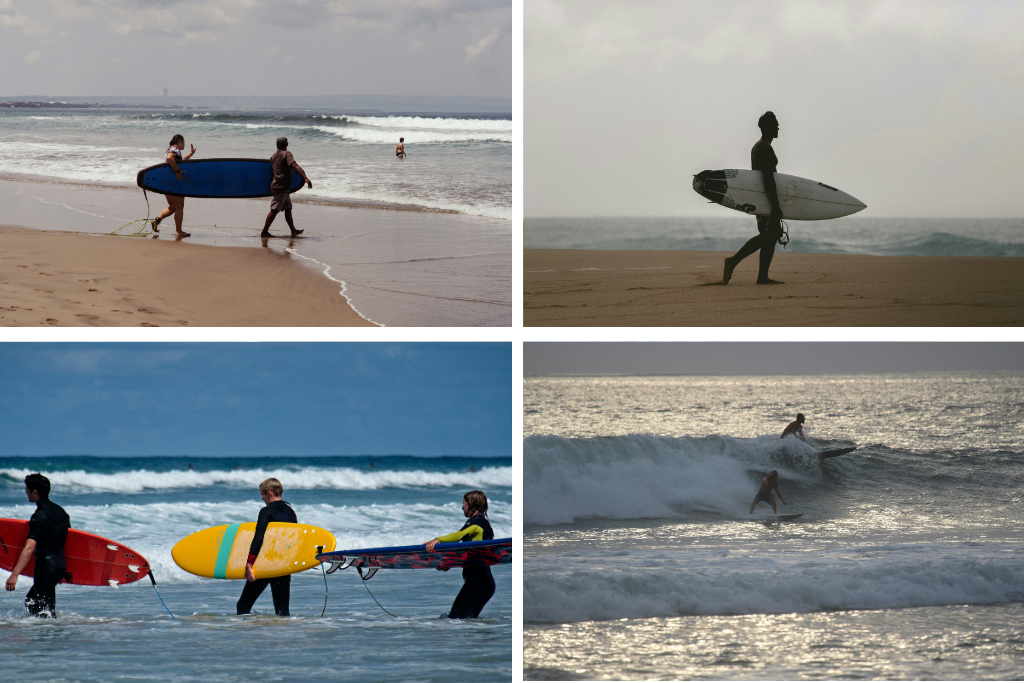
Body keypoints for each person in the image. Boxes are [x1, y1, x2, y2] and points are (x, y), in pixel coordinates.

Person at [722, 111, 786, 285]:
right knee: (768, 235)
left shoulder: (758, 146)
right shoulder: (764, 148)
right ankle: (733, 261)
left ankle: (762, 276)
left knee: (769, 235)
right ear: (768, 127)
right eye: (775, 124)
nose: (778, 127)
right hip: (765, 198)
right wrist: (774, 204)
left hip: (760, 198)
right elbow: (767, 179)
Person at [5, 474, 70, 618]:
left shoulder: (39, 515)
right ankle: (53, 634)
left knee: (44, 613)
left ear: (35, 492)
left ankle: (49, 637)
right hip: (59, 567)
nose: (25, 492)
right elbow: (68, 541)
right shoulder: (62, 513)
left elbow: (29, 548)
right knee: (33, 602)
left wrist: (14, 575)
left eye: (27, 489)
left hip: (45, 568)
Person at [424, 490, 495, 619]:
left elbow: (458, 536)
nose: (462, 507)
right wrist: (449, 563)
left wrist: (437, 540)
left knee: (454, 620)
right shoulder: (484, 524)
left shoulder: (477, 523)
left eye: (464, 503)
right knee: (469, 623)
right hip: (485, 584)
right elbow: (470, 552)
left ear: (472, 504)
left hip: (477, 584)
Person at [236, 478, 297, 616]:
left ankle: (248, 636)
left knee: (243, 606)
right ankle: (282, 637)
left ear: (269, 493)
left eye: (263, 495)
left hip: (266, 564)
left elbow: (259, 538)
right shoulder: (291, 512)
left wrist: (249, 564)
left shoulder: (266, 511)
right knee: (282, 612)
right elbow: (292, 540)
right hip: (283, 565)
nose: (262, 498)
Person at [262, 136, 312, 238]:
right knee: (274, 209)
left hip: (280, 186)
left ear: (277, 145)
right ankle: (264, 232)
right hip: (281, 187)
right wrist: (305, 178)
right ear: (287, 144)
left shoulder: (274, 155)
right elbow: (294, 165)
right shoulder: (287, 154)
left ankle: (293, 230)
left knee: (288, 208)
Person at [151, 133, 195, 238]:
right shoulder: (174, 150)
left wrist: (190, 154)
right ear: (179, 141)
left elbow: (179, 161)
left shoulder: (171, 149)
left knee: (173, 207)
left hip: (167, 183)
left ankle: (156, 221)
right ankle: (178, 231)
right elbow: (170, 158)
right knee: (179, 207)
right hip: (175, 183)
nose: (184, 144)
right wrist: (178, 171)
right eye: (183, 142)